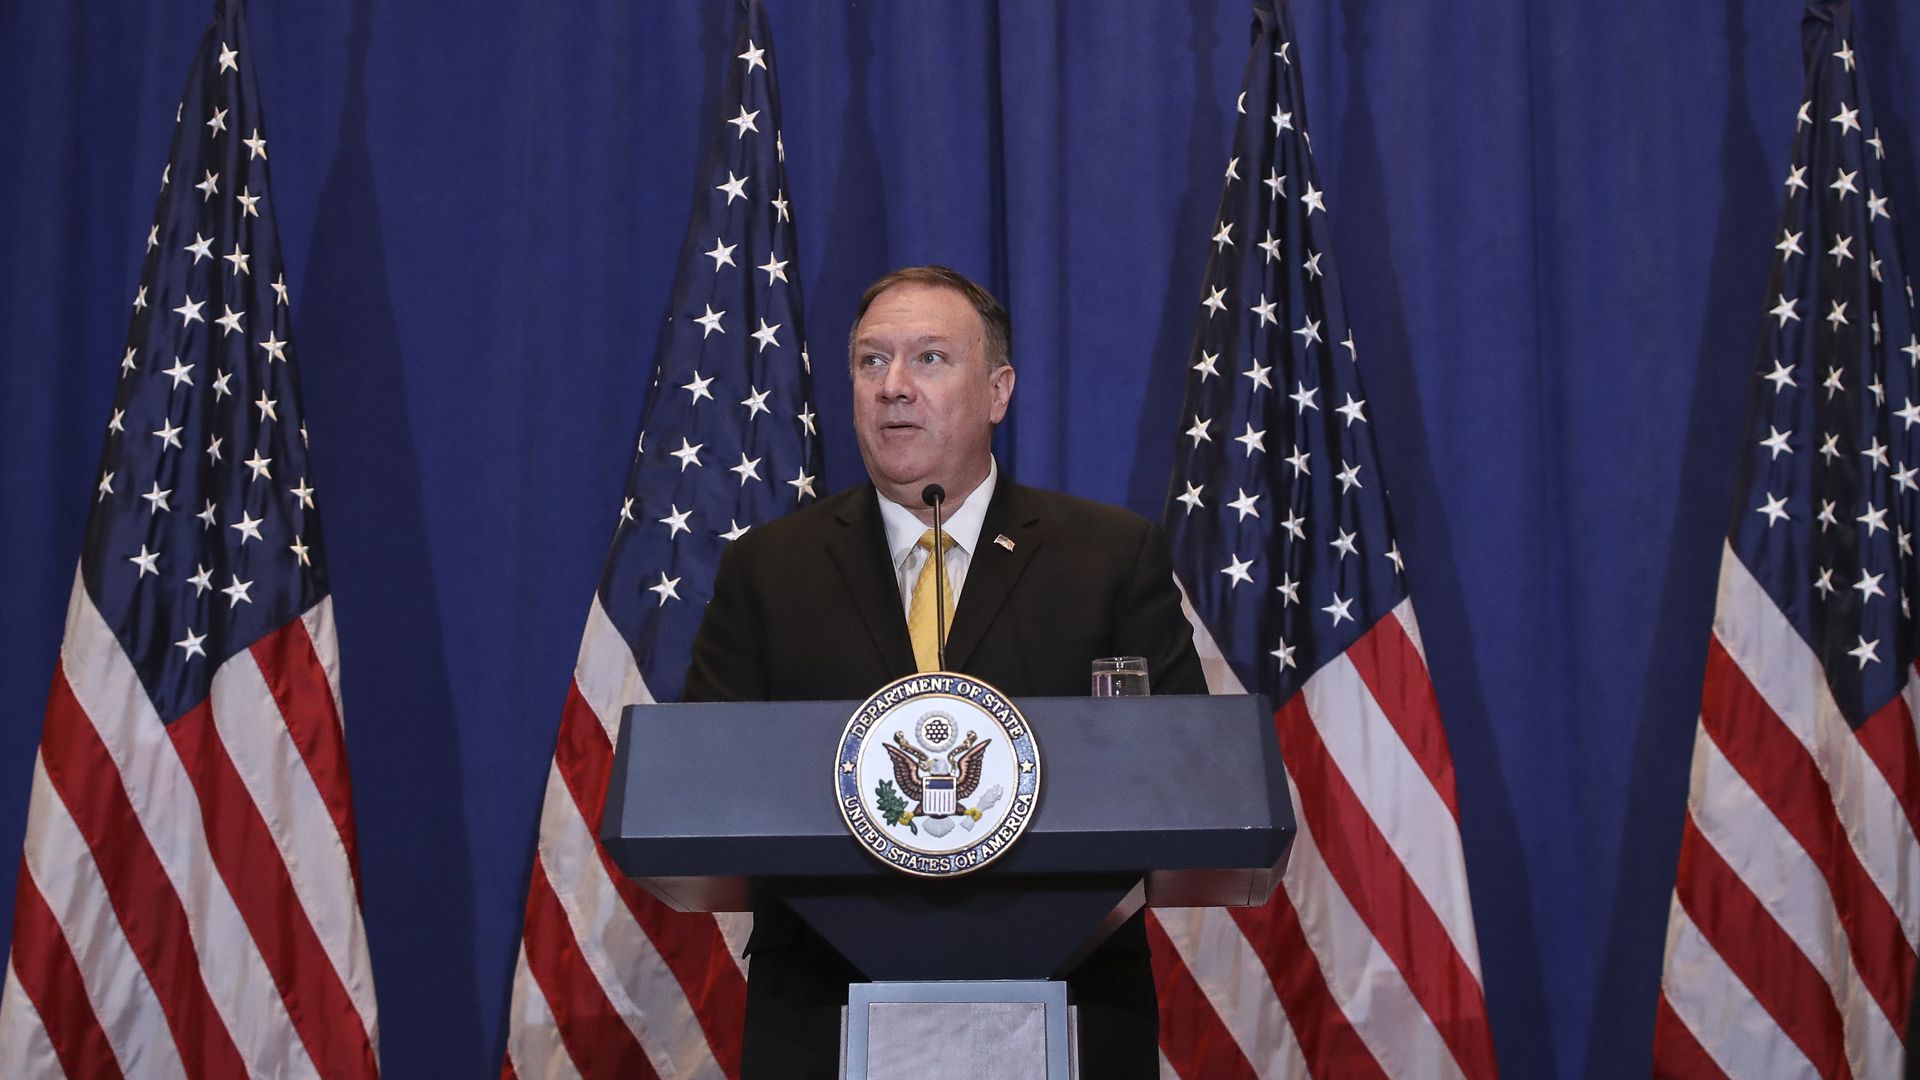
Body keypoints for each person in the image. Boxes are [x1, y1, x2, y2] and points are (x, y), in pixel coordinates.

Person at [684, 265, 1204, 1078]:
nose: (894, 387)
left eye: (929, 359)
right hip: (824, 1012)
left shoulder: (1107, 558)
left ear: (998, 391)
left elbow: (1184, 775)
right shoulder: (769, 570)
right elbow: (704, 789)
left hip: (1066, 1006)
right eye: (870, 361)